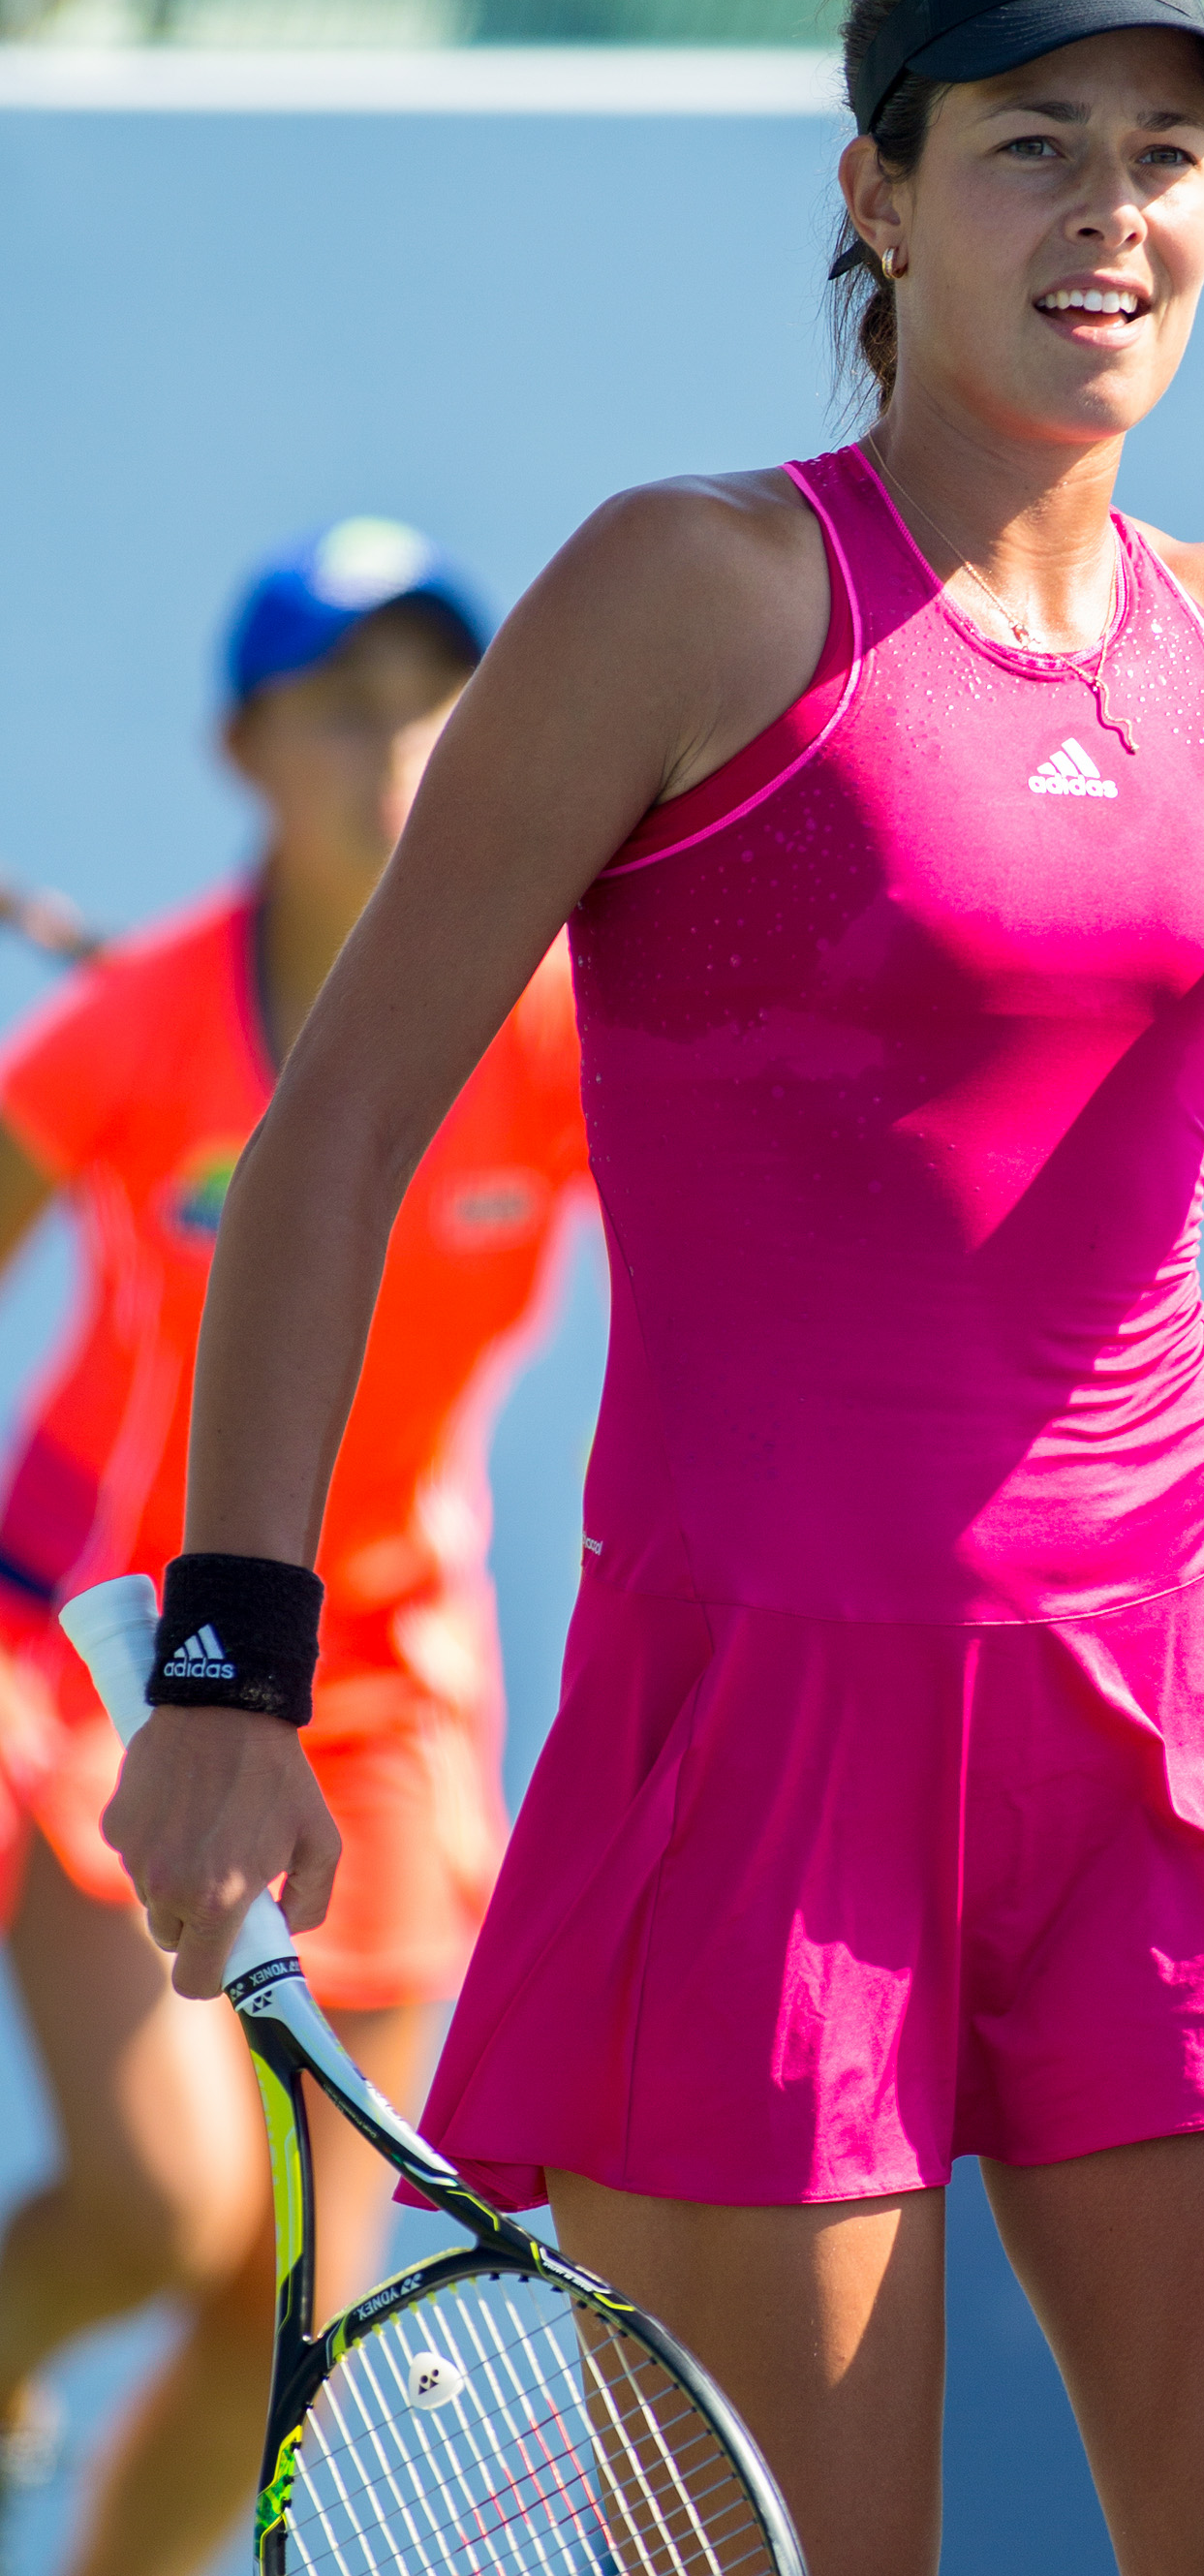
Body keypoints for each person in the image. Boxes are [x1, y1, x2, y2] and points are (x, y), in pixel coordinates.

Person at [105, 0, 1204, 2576]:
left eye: (1165, 158)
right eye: (1034, 148)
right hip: (766, 1756)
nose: (1115, 215)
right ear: (883, 198)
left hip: (1168, 1722)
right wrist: (233, 1663)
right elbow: (337, 1125)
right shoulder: (689, 585)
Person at [0, 519, 589, 2576]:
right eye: (340, 702)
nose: (397, 738)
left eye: (433, 689)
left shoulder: (559, 1026)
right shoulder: (134, 1026)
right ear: (243, 750)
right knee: (165, 2210)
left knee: (289, 2323)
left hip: (393, 1699)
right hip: (89, 1654)